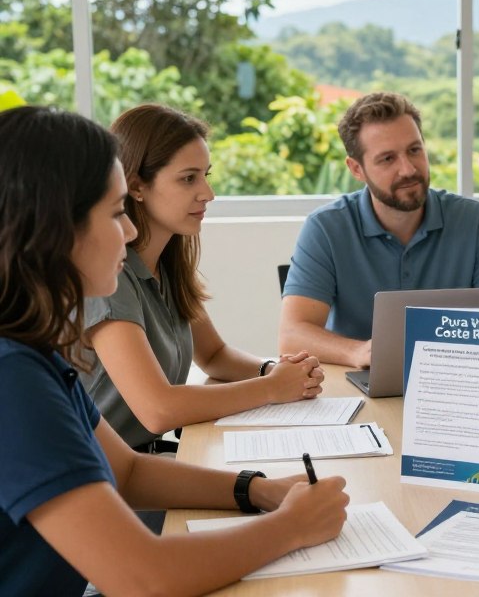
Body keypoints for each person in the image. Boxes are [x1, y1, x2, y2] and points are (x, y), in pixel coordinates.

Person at [0, 106, 349, 596]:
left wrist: (258, 488)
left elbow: (128, 471)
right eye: (116, 212)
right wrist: (292, 527)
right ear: (57, 228)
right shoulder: (12, 377)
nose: (130, 231)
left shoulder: (32, 353)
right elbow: (143, 577)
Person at [80, 104, 325, 452]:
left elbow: (214, 355)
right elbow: (158, 409)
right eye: (188, 178)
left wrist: (276, 370)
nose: (208, 193)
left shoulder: (167, 266)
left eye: (206, 175)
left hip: (143, 464)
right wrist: (272, 388)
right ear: (136, 186)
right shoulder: (109, 278)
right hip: (100, 478)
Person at [279, 91, 479, 367]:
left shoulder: (473, 219)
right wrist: (358, 352)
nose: (408, 169)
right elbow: (292, 335)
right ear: (356, 169)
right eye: (388, 159)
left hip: (455, 382)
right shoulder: (326, 228)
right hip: (360, 387)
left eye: (415, 150)